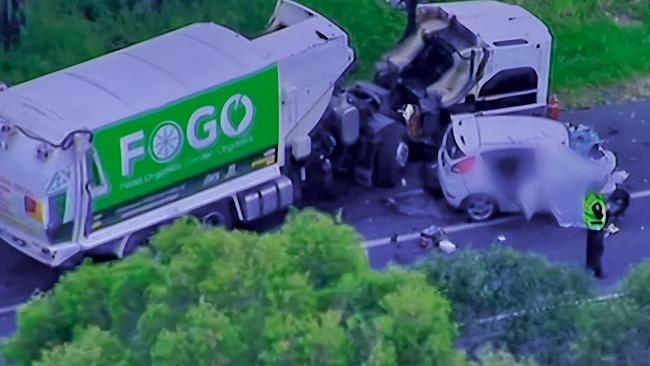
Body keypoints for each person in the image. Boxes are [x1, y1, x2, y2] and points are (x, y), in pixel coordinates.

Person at [583, 192, 607, 278]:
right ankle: (598, 272)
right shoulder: (596, 200)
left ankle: (589, 265)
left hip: (590, 226)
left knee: (590, 248)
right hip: (597, 226)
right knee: (597, 250)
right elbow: (599, 214)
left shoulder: (588, 197)